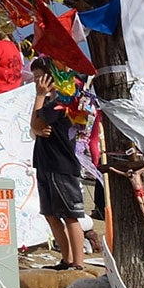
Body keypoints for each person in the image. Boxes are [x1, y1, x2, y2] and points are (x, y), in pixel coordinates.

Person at [29, 57, 86, 270]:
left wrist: (40, 96)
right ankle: (67, 259)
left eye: (38, 77)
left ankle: (77, 263)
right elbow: (35, 127)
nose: (36, 82)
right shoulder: (52, 102)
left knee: (71, 215)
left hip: (60, 165)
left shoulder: (61, 101)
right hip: (45, 163)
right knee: (52, 215)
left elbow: (35, 122)